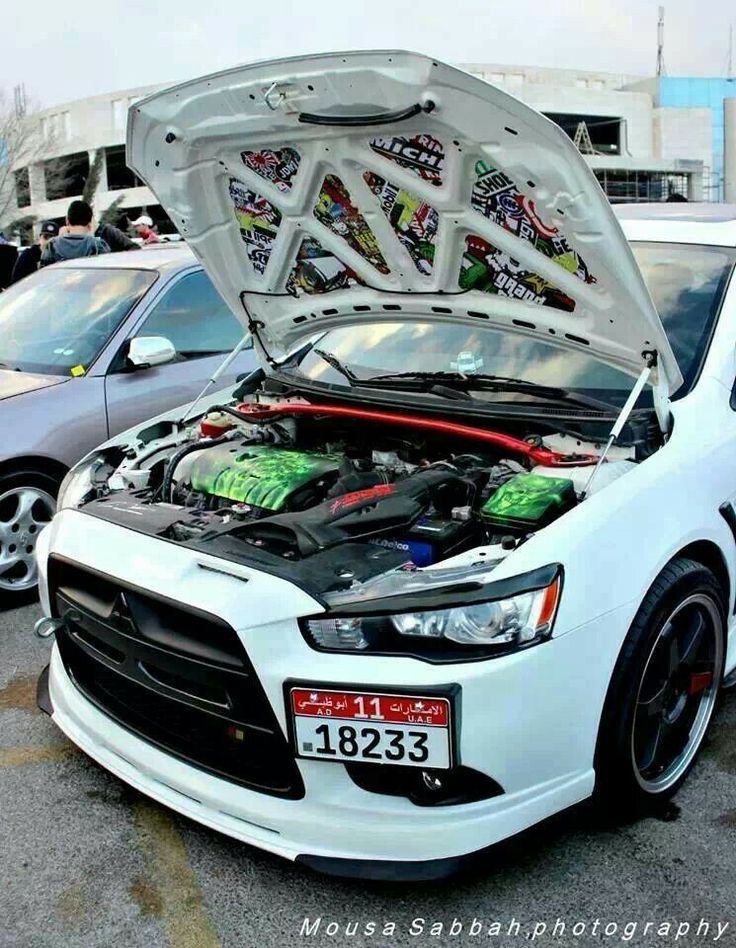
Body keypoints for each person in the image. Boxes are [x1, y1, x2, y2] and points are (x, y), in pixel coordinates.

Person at [40, 200, 109, 265]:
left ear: (67, 220)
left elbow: (43, 273)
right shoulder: (98, 245)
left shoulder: (51, 246)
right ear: (90, 222)